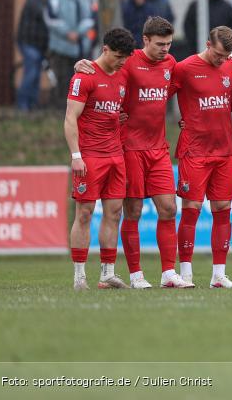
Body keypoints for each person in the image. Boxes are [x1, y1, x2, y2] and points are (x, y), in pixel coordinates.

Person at [74, 17, 192, 289]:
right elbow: (103, 69)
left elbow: (185, 85)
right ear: (145, 40)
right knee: (133, 211)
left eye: (169, 44)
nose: (165, 49)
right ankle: (136, 276)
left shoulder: (171, 64)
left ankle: (168, 274)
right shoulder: (128, 62)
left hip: (158, 148)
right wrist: (83, 64)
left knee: (169, 208)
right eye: (160, 44)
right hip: (129, 148)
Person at [64, 28, 135, 290]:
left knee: (114, 212)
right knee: (85, 213)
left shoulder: (124, 72)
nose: (121, 61)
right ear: (104, 49)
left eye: (125, 58)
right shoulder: (85, 77)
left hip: (116, 155)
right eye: (117, 56)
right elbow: (70, 118)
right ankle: (79, 276)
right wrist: (76, 155)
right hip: (90, 157)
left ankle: (107, 274)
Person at [172, 26, 232, 288]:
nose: (222, 60)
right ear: (207, 44)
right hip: (195, 151)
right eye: (219, 55)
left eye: (227, 56)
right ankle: (186, 274)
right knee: (191, 210)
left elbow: (230, 100)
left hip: (224, 152)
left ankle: (219, 276)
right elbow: (158, 97)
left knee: (223, 211)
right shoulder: (184, 68)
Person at [45, 0, 94, 108]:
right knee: (62, 78)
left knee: (81, 79)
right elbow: (51, 19)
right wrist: (67, 33)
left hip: (80, 46)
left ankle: (81, 106)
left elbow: (89, 18)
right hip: (60, 47)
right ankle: (60, 106)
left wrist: (78, 33)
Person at [16, 0, 52, 111]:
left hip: (38, 46)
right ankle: (23, 104)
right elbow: (40, 12)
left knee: (36, 75)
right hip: (28, 43)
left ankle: (32, 104)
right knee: (31, 74)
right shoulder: (33, 0)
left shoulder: (41, 3)